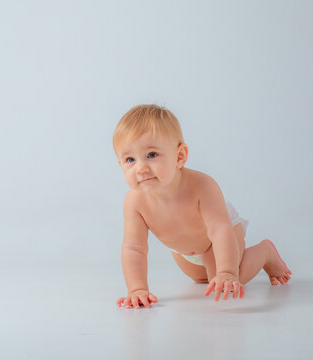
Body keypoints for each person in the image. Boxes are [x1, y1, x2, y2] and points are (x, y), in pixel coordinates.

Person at [113, 104, 292, 309]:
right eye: (130, 159)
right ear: (120, 164)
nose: (141, 168)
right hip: (184, 251)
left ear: (179, 156)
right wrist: (137, 289)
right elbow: (134, 248)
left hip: (219, 237)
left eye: (152, 155)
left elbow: (219, 230)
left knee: (226, 279)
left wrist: (227, 272)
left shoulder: (202, 186)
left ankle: (265, 252)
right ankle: (215, 271)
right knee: (203, 280)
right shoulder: (134, 202)